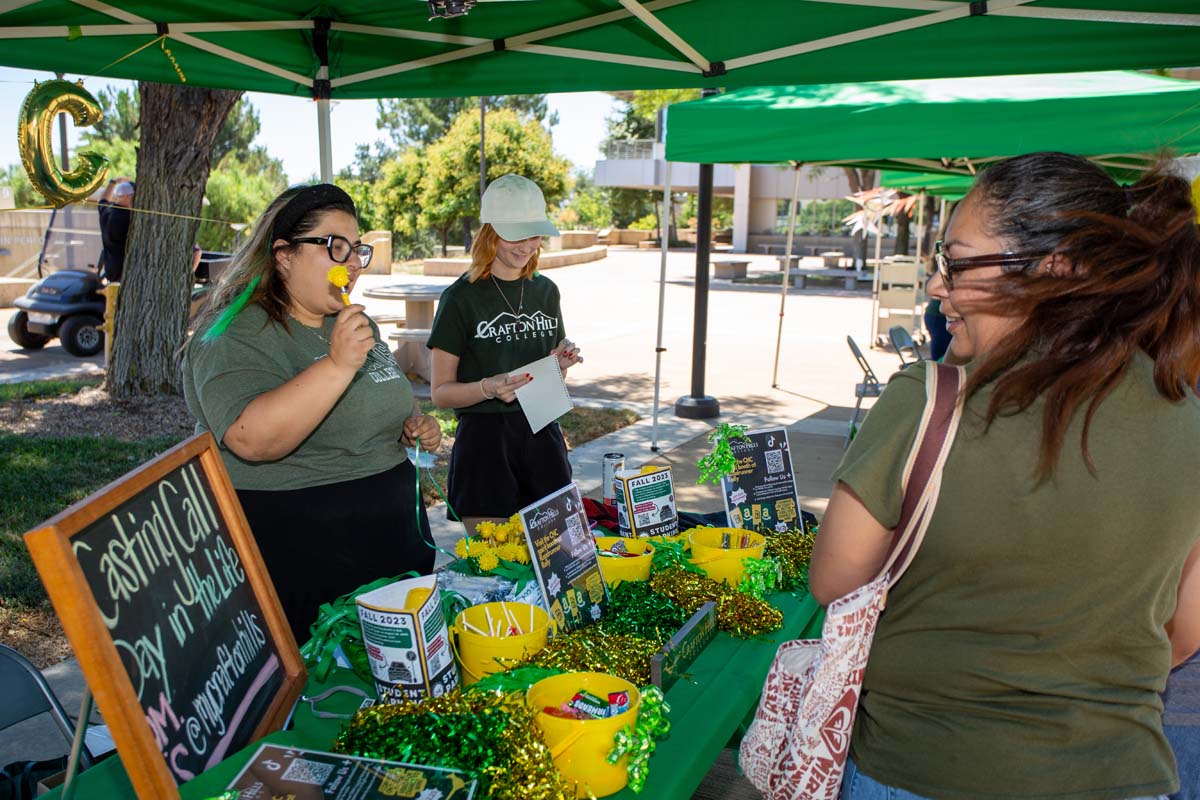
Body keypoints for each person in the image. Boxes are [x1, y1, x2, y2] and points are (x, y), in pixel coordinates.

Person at [809, 152, 1200, 799]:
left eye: (956, 263)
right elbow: (1184, 633)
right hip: (1121, 775)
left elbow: (836, 581)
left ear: (1056, 269)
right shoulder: (1188, 418)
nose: (937, 287)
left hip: (921, 768)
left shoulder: (929, 398)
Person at [182, 183, 441, 643]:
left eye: (357, 248)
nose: (353, 262)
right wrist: (338, 365)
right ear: (283, 255)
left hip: (391, 541)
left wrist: (410, 427)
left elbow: (377, 400)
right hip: (305, 561)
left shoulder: (352, 324)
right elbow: (252, 439)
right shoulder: (232, 335)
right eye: (334, 247)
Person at [427, 174, 582, 528]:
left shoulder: (547, 291)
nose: (528, 245)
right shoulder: (460, 299)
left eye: (535, 234)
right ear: (489, 232)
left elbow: (545, 374)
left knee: (558, 558)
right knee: (492, 567)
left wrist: (559, 364)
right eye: (517, 234)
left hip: (543, 435)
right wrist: (488, 388)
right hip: (484, 446)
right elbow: (440, 393)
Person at [98, 180, 134, 283]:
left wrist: (113, 182)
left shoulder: (106, 211)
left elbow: (102, 199)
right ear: (127, 196)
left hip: (111, 271)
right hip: (124, 273)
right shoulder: (126, 217)